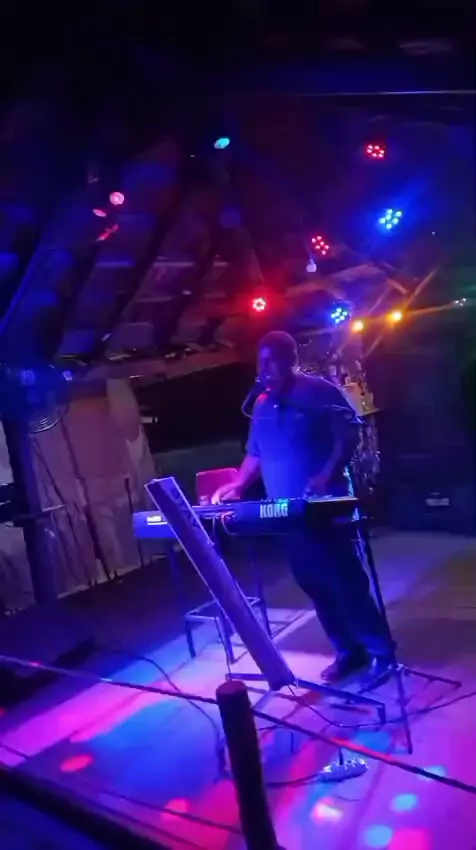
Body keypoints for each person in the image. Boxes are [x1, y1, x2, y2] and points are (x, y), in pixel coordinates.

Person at [212, 330, 391, 683]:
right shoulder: (262, 404)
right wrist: (239, 484)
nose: (265, 368)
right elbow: (256, 453)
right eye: (261, 361)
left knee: (345, 580)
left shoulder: (318, 391)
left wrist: (327, 473)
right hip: (289, 515)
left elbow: (349, 434)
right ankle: (348, 650)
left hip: (326, 507)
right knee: (314, 583)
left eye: (272, 360)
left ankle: (381, 653)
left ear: (290, 360)